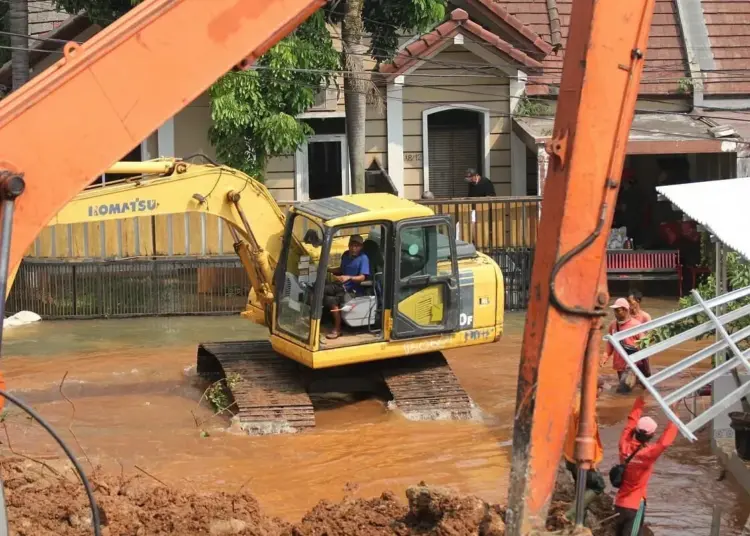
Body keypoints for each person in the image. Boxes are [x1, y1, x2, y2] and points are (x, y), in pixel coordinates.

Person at [614, 395, 678, 536]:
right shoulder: (647, 454)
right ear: (651, 436)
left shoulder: (623, 445)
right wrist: (674, 416)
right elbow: (664, 442)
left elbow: (630, 422)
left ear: (635, 431)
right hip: (635, 506)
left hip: (619, 503)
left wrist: (640, 398)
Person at [562, 378, 606, 522]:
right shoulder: (586, 409)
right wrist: (591, 462)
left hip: (569, 455)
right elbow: (588, 435)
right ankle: (570, 515)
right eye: (601, 388)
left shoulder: (575, 401)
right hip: (581, 457)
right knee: (598, 486)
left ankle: (580, 523)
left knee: (581, 490)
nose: (602, 392)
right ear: (597, 389)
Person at [323, 234, 370, 339]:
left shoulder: (363, 258)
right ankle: (324, 319)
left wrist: (349, 277)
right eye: (352, 245)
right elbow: (341, 269)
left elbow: (362, 277)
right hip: (341, 285)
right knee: (321, 289)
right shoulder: (345, 255)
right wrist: (328, 269)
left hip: (353, 290)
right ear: (348, 245)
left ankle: (337, 329)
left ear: (361, 247)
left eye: (357, 246)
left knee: (332, 300)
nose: (354, 248)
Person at [602, 298, 645, 392]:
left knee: (623, 390)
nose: (615, 313)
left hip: (631, 365)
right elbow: (610, 343)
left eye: (618, 311)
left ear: (626, 310)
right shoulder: (613, 325)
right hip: (619, 364)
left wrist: (643, 367)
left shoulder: (636, 325)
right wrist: (605, 357)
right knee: (627, 391)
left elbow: (644, 345)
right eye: (615, 311)